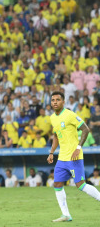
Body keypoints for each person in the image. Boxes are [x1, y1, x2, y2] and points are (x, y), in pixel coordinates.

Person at [47, 91, 100, 222]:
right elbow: (56, 135)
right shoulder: (52, 118)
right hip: (62, 158)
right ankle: (66, 215)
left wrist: (78, 148)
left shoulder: (70, 115)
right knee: (57, 183)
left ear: (63, 102)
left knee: (80, 185)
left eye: (58, 100)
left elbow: (86, 129)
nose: (55, 102)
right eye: (53, 100)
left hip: (74, 157)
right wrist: (51, 152)